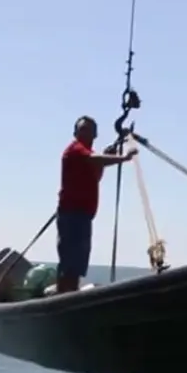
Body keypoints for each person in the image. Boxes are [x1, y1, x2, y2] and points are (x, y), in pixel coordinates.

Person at [56, 115, 136, 293]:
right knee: (70, 263)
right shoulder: (75, 149)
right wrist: (123, 158)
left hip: (83, 215)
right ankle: (63, 298)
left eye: (90, 130)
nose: (86, 132)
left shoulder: (88, 156)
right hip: (71, 215)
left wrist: (108, 157)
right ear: (75, 133)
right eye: (82, 129)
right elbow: (95, 160)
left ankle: (69, 294)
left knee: (76, 264)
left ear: (95, 134)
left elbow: (95, 173)